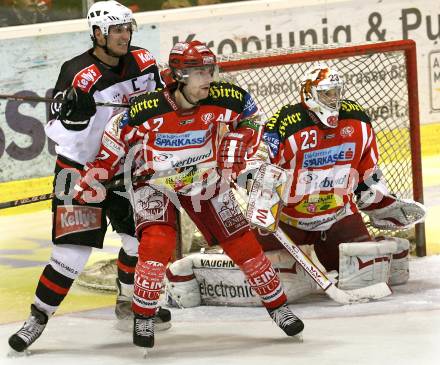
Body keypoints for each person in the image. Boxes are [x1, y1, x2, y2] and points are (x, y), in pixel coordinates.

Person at [73, 40, 305, 349]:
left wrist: (240, 137)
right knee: (157, 241)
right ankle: (143, 315)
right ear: (179, 76)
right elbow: (116, 134)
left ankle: (278, 307)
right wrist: (97, 174)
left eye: (209, 70)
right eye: (199, 73)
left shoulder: (225, 98)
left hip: (205, 177)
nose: (208, 79)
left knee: (241, 241)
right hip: (156, 182)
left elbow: (253, 115)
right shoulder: (148, 109)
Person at [8, 0, 169, 353]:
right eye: (116, 30)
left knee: (140, 244)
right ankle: (37, 317)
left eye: (127, 29)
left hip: (128, 168)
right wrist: (74, 118)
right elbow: (56, 131)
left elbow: (160, 106)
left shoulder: (144, 62)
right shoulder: (77, 72)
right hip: (82, 172)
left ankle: (129, 301)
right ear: (97, 33)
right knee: (71, 255)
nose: (124, 36)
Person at [254, 63, 423, 290]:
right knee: (259, 276)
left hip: (337, 218)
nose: (333, 99)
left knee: (367, 276)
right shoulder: (286, 124)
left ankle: (388, 247)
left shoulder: (357, 122)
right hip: (288, 221)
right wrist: (262, 191)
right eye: (326, 93)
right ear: (309, 94)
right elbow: (259, 165)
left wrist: (379, 201)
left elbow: (367, 174)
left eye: (336, 92)